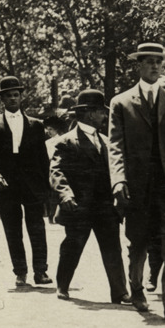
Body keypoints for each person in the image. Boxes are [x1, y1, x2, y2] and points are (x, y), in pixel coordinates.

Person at [108, 43, 165, 324]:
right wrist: (118, 180)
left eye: (158, 62)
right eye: (149, 61)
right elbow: (115, 146)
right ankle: (136, 289)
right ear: (139, 65)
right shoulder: (121, 103)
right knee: (138, 243)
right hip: (136, 187)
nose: (155, 66)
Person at [49, 89, 129, 304]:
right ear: (90, 113)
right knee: (72, 247)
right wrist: (65, 195)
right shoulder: (66, 141)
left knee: (113, 249)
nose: (105, 116)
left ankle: (120, 292)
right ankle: (62, 286)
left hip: (105, 207)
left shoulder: (107, 142)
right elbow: (57, 171)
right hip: (78, 207)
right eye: (102, 112)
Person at [0, 76, 52, 287]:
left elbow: (43, 159)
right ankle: (20, 272)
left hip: (32, 186)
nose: (12, 98)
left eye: (16, 95)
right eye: (8, 96)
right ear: (2, 99)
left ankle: (41, 271)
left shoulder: (36, 125)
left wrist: (46, 189)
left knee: (37, 229)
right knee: (13, 231)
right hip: (6, 187)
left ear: (21, 97)